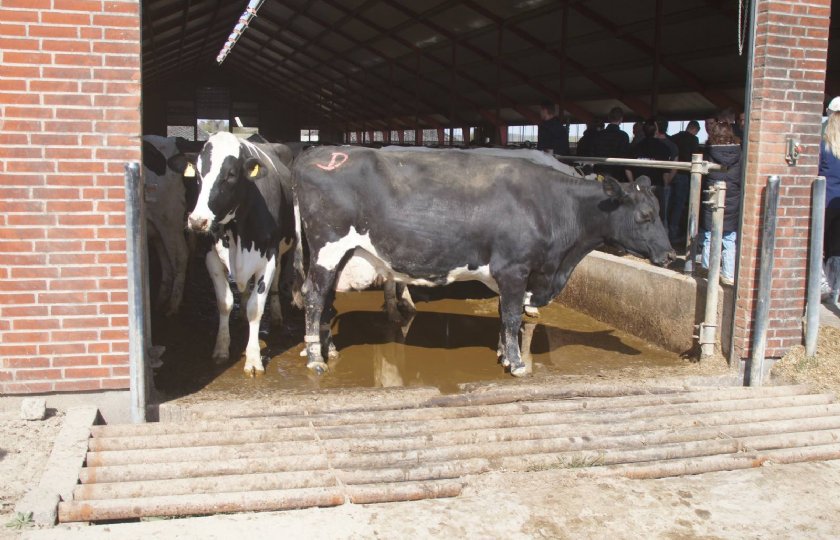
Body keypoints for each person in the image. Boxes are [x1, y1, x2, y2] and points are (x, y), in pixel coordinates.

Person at [701, 116, 742, 286]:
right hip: (732, 200)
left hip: (713, 197)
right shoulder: (739, 153)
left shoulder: (709, 151)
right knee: (730, 239)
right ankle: (728, 274)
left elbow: (704, 175)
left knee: (710, 236)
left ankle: (707, 271)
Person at [626, 119, 673, 220]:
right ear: (656, 131)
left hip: (639, 188)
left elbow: (628, 169)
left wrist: (633, 183)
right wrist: (665, 187)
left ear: (643, 131)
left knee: (639, 217)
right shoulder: (664, 149)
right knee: (658, 218)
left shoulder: (635, 148)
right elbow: (666, 173)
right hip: (656, 189)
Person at [667, 120, 701, 245]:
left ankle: (666, 229)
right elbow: (695, 155)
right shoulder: (694, 140)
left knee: (669, 202)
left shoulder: (675, 137)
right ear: (695, 130)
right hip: (684, 173)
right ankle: (673, 232)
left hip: (671, 172)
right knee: (679, 204)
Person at [820, 109, 840, 301]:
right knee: (836, 248)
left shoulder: (824, 148)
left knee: (818, 242)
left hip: (825, 201)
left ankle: (820, 283)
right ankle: (834, 291)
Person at [592, 106, 630, 179]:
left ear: (609, 118)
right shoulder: (624, 136)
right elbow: (624, 156)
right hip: (616, 174)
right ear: (621, 119)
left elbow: (593, 153)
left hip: (599, 172)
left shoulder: (599, 134)